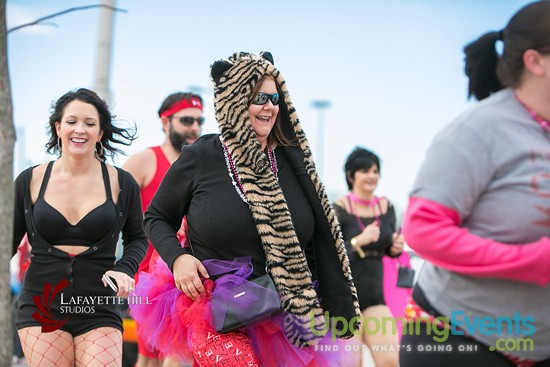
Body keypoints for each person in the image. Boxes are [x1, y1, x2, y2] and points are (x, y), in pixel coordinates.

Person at [130, 51, 361, 366]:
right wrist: (178, 258)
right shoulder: (201, 156)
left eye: (274, 97)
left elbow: (317, 241)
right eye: (258, 97)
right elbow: (156, 217)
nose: (269, 106)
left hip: (285, 310)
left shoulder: (294, 163)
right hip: (212, 305)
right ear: (234, 101)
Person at [400, 1, 550, 366]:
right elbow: (422, 230)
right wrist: (529, 261)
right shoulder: (477, 130)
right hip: (458, 339)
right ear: (536, 62)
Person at [12, 88, 147, 367]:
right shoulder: (30, 180)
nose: (80, 130)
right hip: (41, 304)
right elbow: (8, 240)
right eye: (72, 121)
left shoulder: (122, 183)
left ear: (100, 133)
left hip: (99, 305)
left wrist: (124, 269)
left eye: (90, 123)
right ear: (58, 127)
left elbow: (137, 238)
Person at [123, 91, 204, 367]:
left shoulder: (202, 166)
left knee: (186, 355)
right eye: (186, 120)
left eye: (198, 121)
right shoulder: (144, 161)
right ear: (165, 122)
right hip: (149, 279)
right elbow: (112, 210)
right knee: (149, 360)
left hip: (192, 277)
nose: (194, 127)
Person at [333, 147, 405, 367]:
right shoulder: (340, 208)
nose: (372, 176)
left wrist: (395, 246)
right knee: (351, 364)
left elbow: (389, 250)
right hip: (346, 299)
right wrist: (359, 241)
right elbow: (331, 254)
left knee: (391, 361)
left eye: (375, 171)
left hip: (376, 298)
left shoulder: (386, 207)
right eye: (365, 171)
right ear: (351, 175)